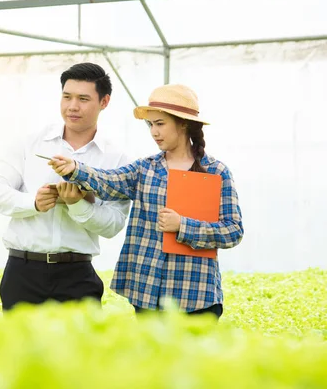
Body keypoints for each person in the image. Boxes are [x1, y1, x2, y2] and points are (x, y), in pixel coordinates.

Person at [48, 84, 244, 319]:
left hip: (196, 295)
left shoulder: (216, 172)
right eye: (151, 125)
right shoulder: (145, 168)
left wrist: (183, 225)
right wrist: (75, 168)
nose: (154, 132)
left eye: (160, 124)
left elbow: (233, 231)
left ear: (183, 123)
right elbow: (109, 181)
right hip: (147, 291)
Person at [0, 62, 132, 311]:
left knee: (78, 350)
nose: (72, 106)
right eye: (67, 97)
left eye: (83, 98)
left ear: (104, 102)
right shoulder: (30, 144)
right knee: (20, 349)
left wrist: (78, 206)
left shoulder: (116, 159)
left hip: (78, 276)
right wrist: (34, 202)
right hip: (23, 272)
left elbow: (113, 225)